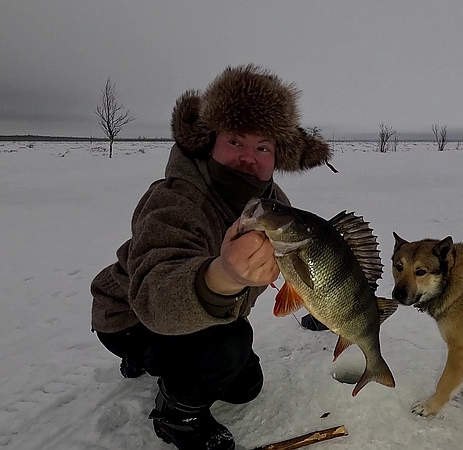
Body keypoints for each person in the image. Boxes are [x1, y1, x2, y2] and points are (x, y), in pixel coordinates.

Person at [90, 64, 332, 450]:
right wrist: (222, 275)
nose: (249, 158)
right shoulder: (175, 199)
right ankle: (177, 417)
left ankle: (164, 364)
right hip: (129, 316)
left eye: (263, 147)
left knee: (245, 386)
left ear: (278, 156)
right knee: (225, 346)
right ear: (210, 141)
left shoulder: (274, 207)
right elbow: (155, 291)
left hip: (203, 317)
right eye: (236, 141)